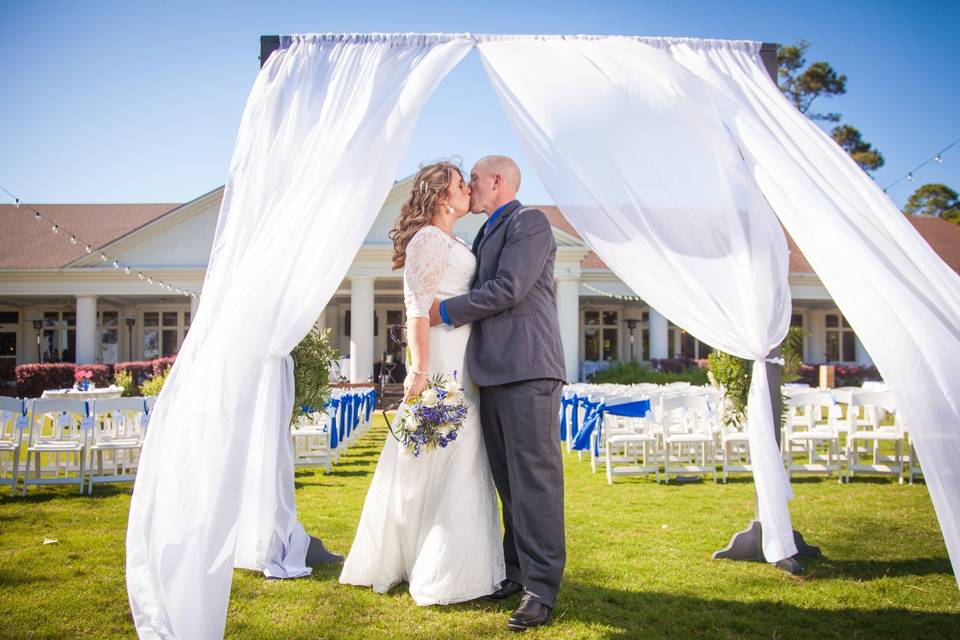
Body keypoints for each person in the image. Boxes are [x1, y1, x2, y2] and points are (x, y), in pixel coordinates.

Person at [339, 161, 505, 605]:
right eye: (459, 185)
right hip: (441, 361)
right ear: (442, 197)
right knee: (445, 453)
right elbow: (416, 309)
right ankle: (441, 569)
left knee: (461, 457)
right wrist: (419, 371)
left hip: (465, 358)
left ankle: (460, 563)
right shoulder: (428, 241)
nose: (468, 189)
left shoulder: (455, 239)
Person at [429, 155, 566, 632]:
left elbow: (509, 288)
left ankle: (542, 589)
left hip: (528, 369)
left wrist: (443, 310)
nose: (469, 187)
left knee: (536, 482)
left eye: (474, 180)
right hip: (493, 373)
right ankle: (516, 572)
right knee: (509, 481)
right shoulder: (488, 231)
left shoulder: (530, 223)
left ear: (497, 181)